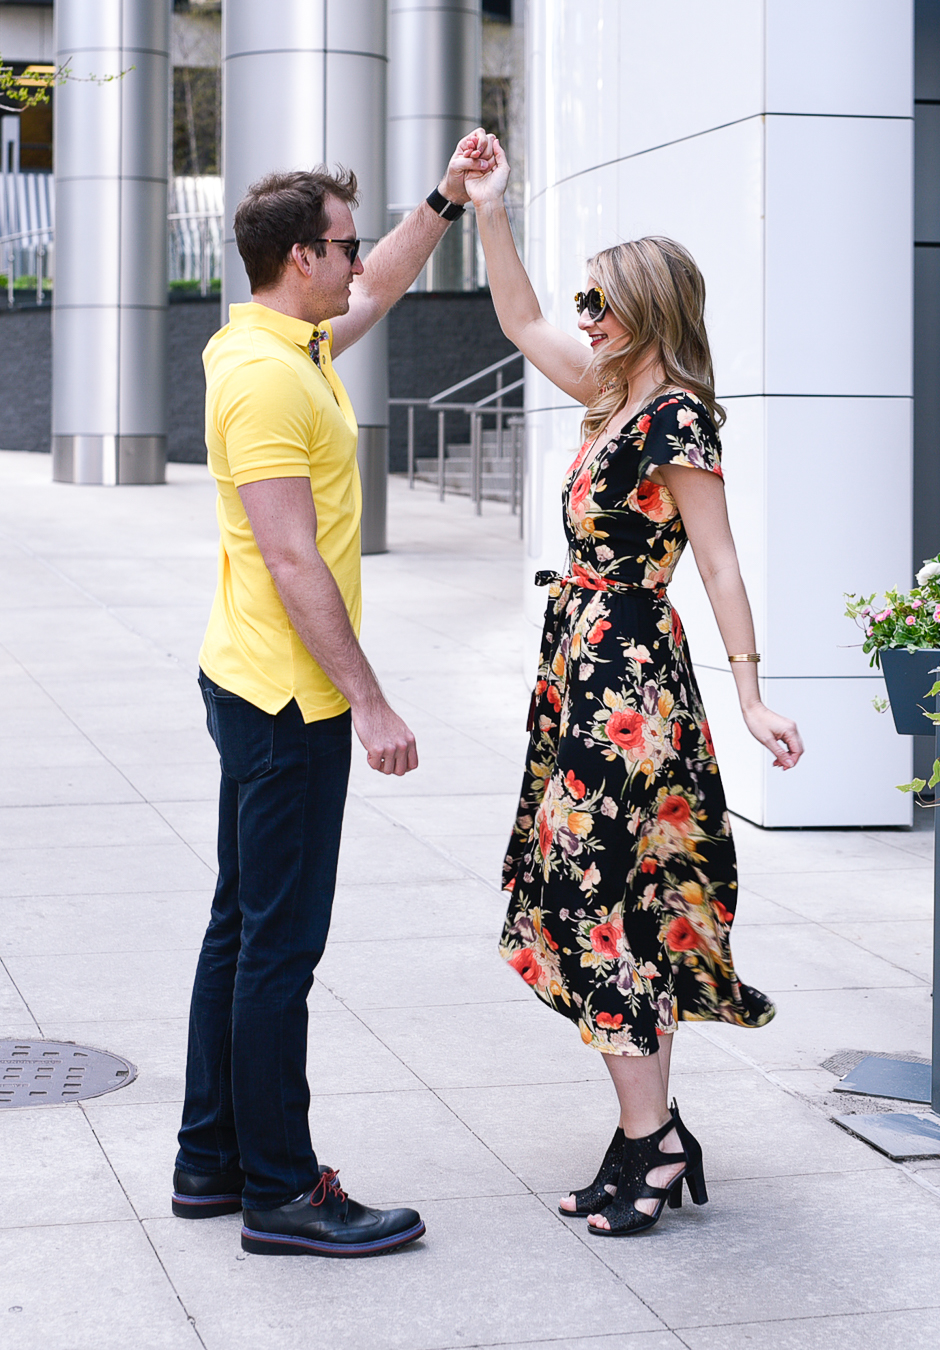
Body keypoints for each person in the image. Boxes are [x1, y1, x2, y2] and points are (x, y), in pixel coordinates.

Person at [464, 141, 804, 1237]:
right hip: (581, 676)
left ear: (650, 307)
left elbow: (719, 562)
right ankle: (645, 1137)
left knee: (612, 906)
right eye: (587, 299)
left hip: (632, 689)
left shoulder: (677, 419)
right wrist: (490, 208)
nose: (587, 315)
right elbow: (518, 321)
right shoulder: (607, 396)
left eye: (602, 300)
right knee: (588, 901)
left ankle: (651, 1143)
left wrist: (752, 696)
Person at [172, 133, 494, 1259]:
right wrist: (373, 702)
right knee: (278, 950)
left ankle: (210, 1158)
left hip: (253, 682)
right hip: (288, 702)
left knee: (239, 930)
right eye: (345, 248)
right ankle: (282, 1189)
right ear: (300, 256)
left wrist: (446, 202)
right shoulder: (268, 378)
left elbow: (391, 282)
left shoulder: (279, 341)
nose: (360, 264)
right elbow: (292, 560)